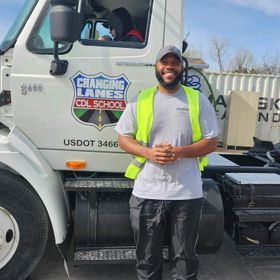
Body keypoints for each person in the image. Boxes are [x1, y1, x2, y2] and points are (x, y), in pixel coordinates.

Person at [115, 45, 219, 280]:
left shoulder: (197, 99)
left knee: (184, 261)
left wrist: (179, 152)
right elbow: (123, 138)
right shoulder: (140, 100)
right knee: (147, 260)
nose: (169, 66)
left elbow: (212, 142)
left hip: (186, 194)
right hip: (147, 192)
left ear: (182, 67)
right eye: (165, 62)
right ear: (156, 67)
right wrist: (149, 153)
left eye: (175, 62)